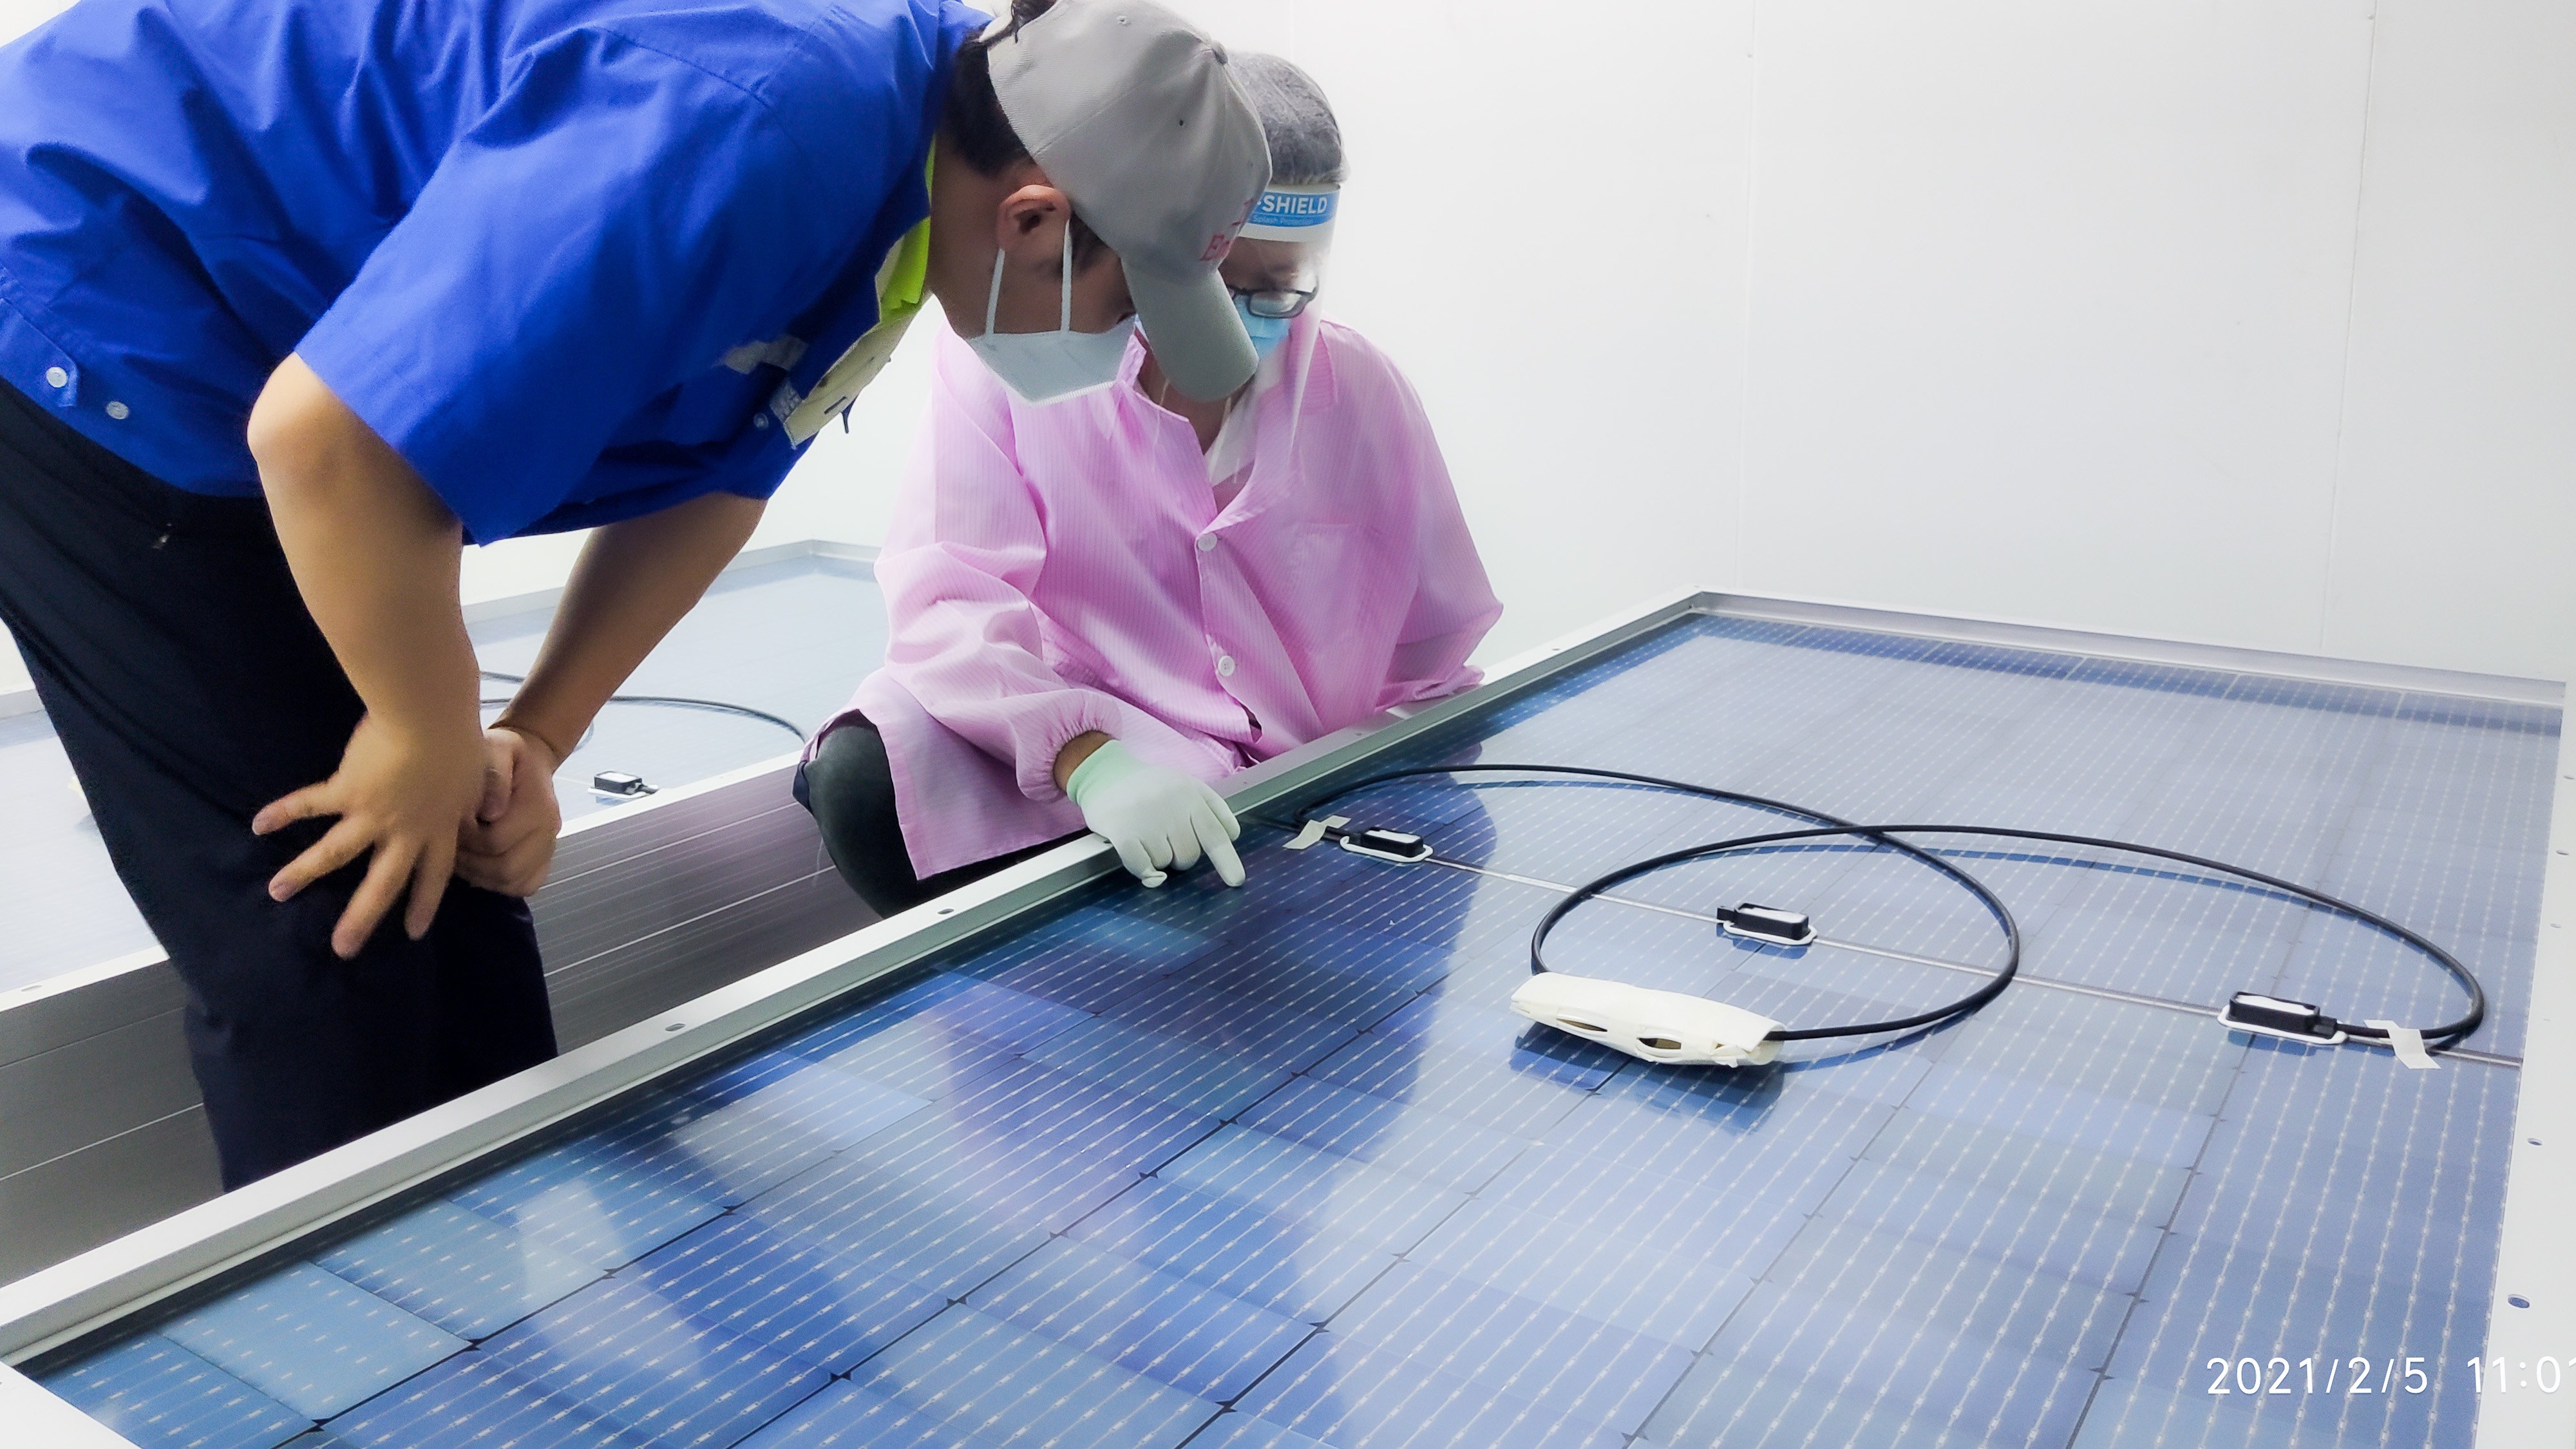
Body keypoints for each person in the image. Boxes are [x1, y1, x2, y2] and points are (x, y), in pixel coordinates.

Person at [0, 0, 1269, 1188]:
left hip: (277, 393)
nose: (1125, 347)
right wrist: (422, 728)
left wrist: (534, 735)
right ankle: (346, 1336)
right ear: (1035, 221)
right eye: (1125, 304)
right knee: (335, 930)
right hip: (90, 282)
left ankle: (474, 1311)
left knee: (468, 881)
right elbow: (328, 442)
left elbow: (720, 480)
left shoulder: (910, 195)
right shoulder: (761, 127)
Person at [800, 55, 1502, 916]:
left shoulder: (1361, 392)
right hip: (1100, 746)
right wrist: (1089, 759)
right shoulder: (1027, 355)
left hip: (1295, 777)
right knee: (868, 764)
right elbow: (948, 599)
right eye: (1219, 285)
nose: (1242, 320)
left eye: (1279, 291)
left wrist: (1378, 794)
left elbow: (1432, 657)